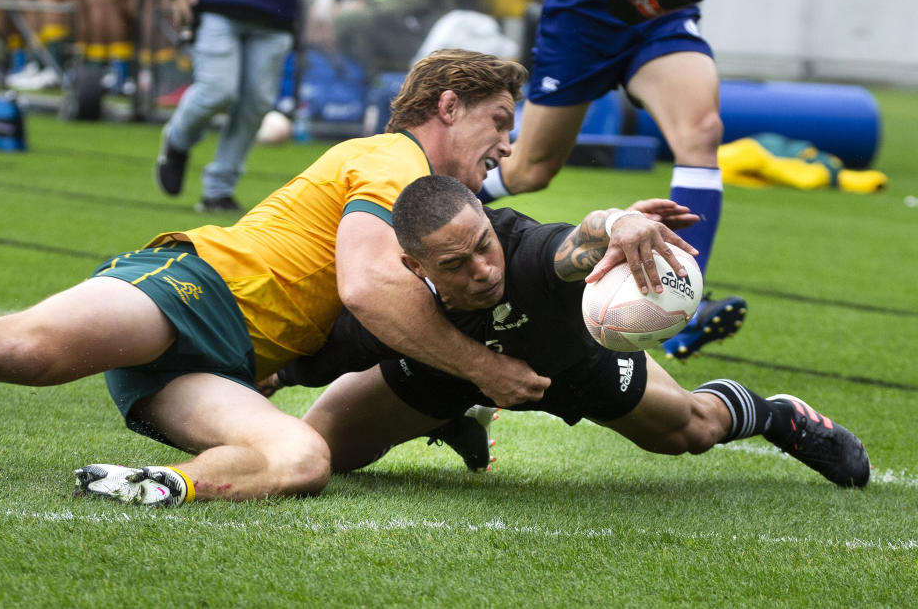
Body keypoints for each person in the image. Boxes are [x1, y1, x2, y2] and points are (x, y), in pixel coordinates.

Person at [0, 49, 577, 507]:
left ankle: (159, 485)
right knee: (19, 352)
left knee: (302, 460)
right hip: (199, 293)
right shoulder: (398, 161)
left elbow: (375, 321)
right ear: (448, 107)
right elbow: (367, 289)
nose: (507, 142)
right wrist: (481, 369)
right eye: (499, 121)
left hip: (215, 365)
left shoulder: (423, 205)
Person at [278, 174, 871, 489]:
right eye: (456, 265)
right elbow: (293, 362)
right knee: (318, 454)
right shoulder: (394, 308)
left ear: (488, 223)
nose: (484, 270)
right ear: (416, 268)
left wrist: (619, 222)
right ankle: (454, 414)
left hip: (573, 367)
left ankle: (778, 416)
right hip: (443, 373)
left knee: (692, 431)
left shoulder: (529, 253)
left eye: (484, 245)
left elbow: (579, 240)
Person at [477, 0, 746, 360]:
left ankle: (686, 303)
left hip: (659, 17)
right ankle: (425, 204)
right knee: (531, 169)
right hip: (584, 15)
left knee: (702, 132)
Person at [153, 0, 296, 212]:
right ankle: (177, 140)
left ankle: (218, 193)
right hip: (217, 5)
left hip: (276, 14)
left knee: (256, 104)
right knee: (216, 91)